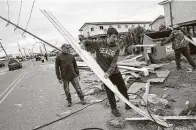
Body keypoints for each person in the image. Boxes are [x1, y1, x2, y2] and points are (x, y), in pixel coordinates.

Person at [81, 27, 131, 117]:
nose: (115, 39)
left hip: (114, 72)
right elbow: (87, 42)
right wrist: (83, 44)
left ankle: (128, 104)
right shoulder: (98, 43)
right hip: (104, 74)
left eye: (116, 37)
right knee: (109, 92)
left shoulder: (116, 48)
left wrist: (109, 72)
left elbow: (114, 63)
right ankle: (114, 109)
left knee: (122, 89)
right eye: (113, 37)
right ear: (108, 35)